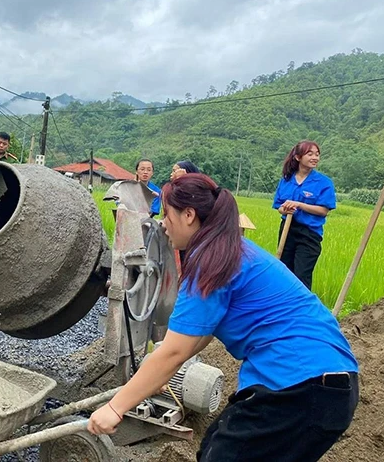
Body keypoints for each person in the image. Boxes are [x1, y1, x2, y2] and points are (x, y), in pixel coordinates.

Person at [87, 173, 359, 462]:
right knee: (217, 444)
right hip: (331, 386)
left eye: (168, 214)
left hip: (298, 388)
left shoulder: (210, 263)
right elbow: (196, 337)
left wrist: (115, 408)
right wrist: (155, 377)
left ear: (189, 215)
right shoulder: (232, 252)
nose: (163, 223)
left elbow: (173, 352)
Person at [272, 141, 335, 290]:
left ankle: (301, 310)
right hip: (287, 229)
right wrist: (285, 209)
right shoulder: (286, 180)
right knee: (284, 272)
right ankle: (282, 308)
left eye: (317, 154)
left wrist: (299, 205)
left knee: (301, 276)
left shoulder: (323, 182)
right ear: (298, 157)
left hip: (309, 234)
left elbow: (323, 210)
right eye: (310, 154)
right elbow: (279, 206)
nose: (315, 158)